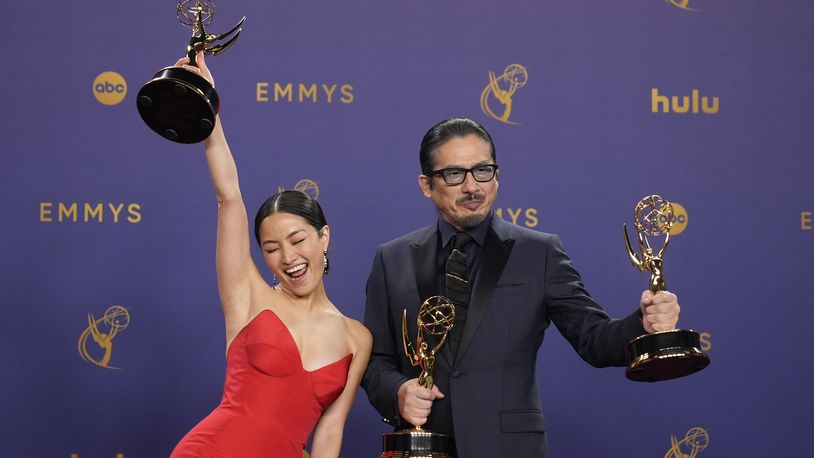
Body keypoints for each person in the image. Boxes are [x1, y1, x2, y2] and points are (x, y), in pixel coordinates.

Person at [361, 117, 681, 457]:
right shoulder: (392, 258)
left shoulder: (539, 252)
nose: (472, 187)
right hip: (423, 448)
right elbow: (375, 360)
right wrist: (397, 392)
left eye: (483, 170)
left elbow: (595, 339)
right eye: (455, 174)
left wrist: (643, 324)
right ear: (426, 184)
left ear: (497, 176)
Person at [170, 53, 372, 458]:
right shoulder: (248, 296)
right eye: (272, 248)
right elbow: (229, 198)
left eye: (298, 240)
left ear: (324, 237)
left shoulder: (357, 337)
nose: (289, 257)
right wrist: (207, 105)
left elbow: (330, 435)